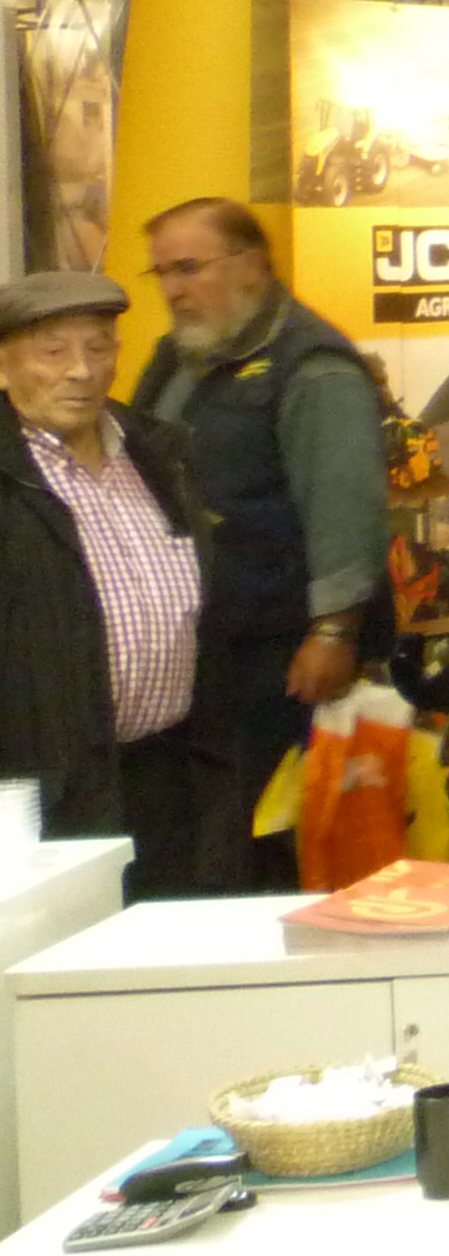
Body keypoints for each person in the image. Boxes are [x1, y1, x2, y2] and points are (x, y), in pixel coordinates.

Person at [129, 199, 387, 886]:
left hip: (283, 649)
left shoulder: (314, 366)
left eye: (189, 268)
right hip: (208, 645)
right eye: (162, 273)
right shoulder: (179, 357)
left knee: (275, 836)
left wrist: (334, 630)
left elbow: (343, 504)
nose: (173, 289)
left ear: (251, 265)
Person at [0, 271, 226, 898]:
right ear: (4, 366)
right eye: (53, 352)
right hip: (46, 791)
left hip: (170, 777)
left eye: (98, 347)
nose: (81, 370)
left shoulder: (158, 454)